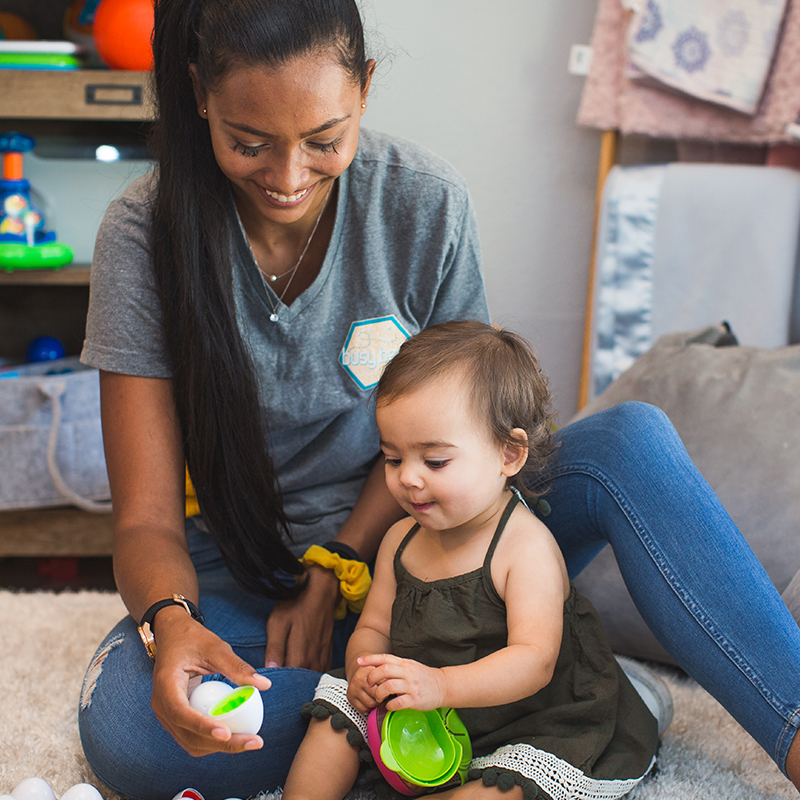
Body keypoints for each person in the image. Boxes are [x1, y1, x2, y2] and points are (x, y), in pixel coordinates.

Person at [76, 0, 800, 798]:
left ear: (366, 87)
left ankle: (778, 724)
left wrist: (342, 561)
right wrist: (171, 625)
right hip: (247, 573)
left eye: (325, 140)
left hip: (439, 532)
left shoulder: (423, 203)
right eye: (249, 144)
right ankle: (541, 682)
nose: (289, 177)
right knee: (131, 734)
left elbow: (471, 425)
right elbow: (144, 520)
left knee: (627, 443)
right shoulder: (143, 236)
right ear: (199, 95)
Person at [282, 321, 660, 800]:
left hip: (525, 719)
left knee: (502, 790)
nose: (408, 479)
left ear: (509, 453)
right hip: (420, 705)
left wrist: (440, 685)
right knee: (331, 720)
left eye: (435, 462)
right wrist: (363, 669)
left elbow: (534, 663)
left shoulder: (524, 547)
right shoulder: (398, 538)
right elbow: (374, 628)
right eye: (393, 459)